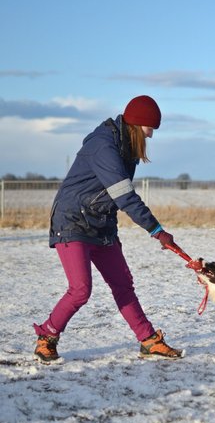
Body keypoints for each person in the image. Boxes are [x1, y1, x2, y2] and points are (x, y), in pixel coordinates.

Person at [33, 95, 184, 363]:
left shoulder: (127, 149)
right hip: (73, 221)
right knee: (80, 289)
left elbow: (114, 197)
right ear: (137, 124)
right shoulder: (104, 146)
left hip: (101, 223)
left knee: (123, 284)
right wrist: (157, 230)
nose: (151, 135)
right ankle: (47, 337)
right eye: (150, 129)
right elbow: (125, 196)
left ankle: (148, 340)